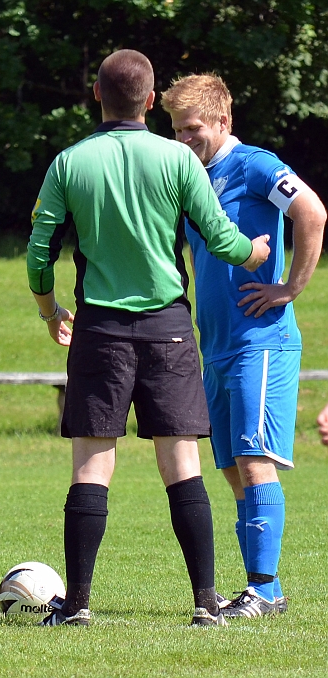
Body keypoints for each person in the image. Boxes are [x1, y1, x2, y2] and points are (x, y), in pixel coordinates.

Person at [27, 49, 270, 627]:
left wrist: (49, 308)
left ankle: (78, 605)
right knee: (182, 463)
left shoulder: (69, 162)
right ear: (152, 99)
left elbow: (40, 253)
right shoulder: (179, 160)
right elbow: (220, 237)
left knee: (91, 466)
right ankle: (206, 605)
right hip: (167, 331)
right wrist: (255, 253)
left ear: (96, 94)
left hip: (100, 330)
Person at [161, 74, 326, 618]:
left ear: (223, 122)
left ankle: (264, 588)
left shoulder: (254, 164)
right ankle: (262, 588)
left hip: (262, 341)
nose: (184, 140)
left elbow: (312, 212)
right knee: (231, 466)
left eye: (193, 129)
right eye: (177, 130)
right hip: (218, 345)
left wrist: (290, 287)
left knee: (254, 460)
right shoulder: (192, 175)